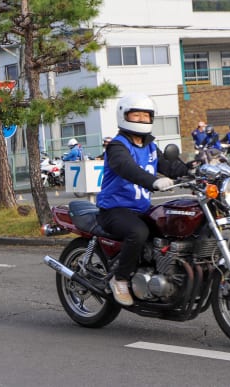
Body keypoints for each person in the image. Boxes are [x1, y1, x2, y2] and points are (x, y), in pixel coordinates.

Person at [96, 93, 191, 306]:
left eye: (145, 116)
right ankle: (120, 279)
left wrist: (195, 170)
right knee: (138, 232)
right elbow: (126, 168)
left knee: (170, 229)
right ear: (124, 116)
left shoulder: (149, 145)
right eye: (135, 115)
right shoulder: (117, 146)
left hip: (141, 208)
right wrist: (153, 181)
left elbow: (170, 166)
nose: (141, 119)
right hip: (115, 210)